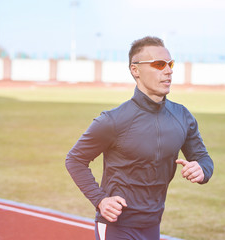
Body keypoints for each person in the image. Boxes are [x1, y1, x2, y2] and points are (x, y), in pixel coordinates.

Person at [65, 36, 214, 240]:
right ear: (135, 70)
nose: (168, 70)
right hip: (117, 227)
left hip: (153, 226)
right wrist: (101, 200)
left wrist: (202, 170)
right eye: (159, 64)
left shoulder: (182, 117)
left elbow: (203, 159)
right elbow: (75, 159)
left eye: (170, 64)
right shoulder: (112, 120)